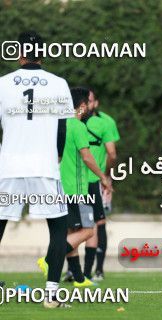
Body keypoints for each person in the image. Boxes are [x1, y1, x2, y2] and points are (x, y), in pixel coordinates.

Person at [0, 31, 74, 308]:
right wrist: (55, 156)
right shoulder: (58, 84)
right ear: (43, 54)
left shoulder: (3, 84)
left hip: (8, 167)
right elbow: (62, 127)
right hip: (43, 166)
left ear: (18, 53)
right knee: (58, 228)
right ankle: (51, 295)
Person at [62, 89, 119, 282]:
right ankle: (54, 259)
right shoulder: (79, 126)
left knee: (73, 229)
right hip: (82, 185)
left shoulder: (60, 124)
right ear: (85, 105)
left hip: (62, 184)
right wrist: (104, 176)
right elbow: (94, 156)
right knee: (90, 229)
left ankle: (79, 276)